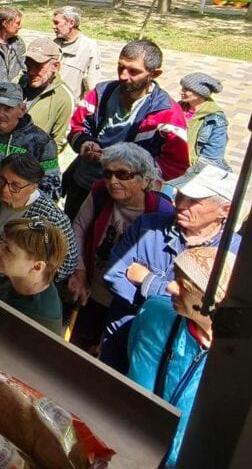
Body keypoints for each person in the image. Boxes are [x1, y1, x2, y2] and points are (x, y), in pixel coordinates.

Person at [100, 163, 241, 372]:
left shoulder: (235, 254)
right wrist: (183, 300)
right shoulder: (147, 226)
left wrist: (149, 282)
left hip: (181, 361)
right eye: (180, 194)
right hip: (123, 339)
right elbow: (114, 275)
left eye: (193, 200)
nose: (180, 204)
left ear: (225, 210)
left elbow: (213, 313)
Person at [128, 247, 237, 469]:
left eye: (184, 286)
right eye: (176, 278)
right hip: (134, 444)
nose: (172, 287)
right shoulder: (154, 315)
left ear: (212, 303)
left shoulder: (234, 359)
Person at [66, 144, 175, 354]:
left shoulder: (162, 212)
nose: (113, 181)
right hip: (92, 290)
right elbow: (78, 228)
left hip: (131, 302)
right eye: (108, 173)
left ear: (145, 180)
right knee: (78, 348)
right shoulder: (99, 192)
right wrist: (79, 271)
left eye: (123, 174)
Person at [63, 39, 189, 221]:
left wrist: (130, 170)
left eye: (133, 71)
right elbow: (76, 126)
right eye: (120, 67)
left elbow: (176, 164)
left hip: (128, 200)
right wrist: (85, 143)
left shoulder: (166, 112)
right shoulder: (100, 93)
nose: (123, 75)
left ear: (154, 73)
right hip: (84, 184)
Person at [0, 153, 78, 288]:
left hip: (11, 292)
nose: (4, 189)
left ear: (33, 187)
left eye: (15, 186)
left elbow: (67, 264)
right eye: (1, 180)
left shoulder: (53, 218)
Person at [0, 82, 61, 209]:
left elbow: (51, 188)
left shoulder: (41, 143)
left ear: (22, 110)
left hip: (17, 212)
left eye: (7, 108)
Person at [0, 218, 69, 334]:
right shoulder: (14, 280)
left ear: (37, 266)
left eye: (8, 249)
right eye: (2, 243)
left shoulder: (38, 324)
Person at [20, 38, 75, 154]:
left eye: (38, 67)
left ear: (55, 66)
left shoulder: (63, 98)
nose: (31, 71)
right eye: (28, 65)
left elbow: (58, 143)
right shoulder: (17, 83)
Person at [179, 72, 230, 168]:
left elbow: (211, 158)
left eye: (186, 89)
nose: (181, 92)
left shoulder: (215, 120)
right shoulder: (177, 108)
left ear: (199, 93)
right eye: (182, 88)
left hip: (192, 170)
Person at [53, 6, 101, 99]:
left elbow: (93, 83)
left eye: (56, 23)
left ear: (71, 23)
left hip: (71, 106)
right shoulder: (54, 43)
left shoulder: (89, 47)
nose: (53, 26)